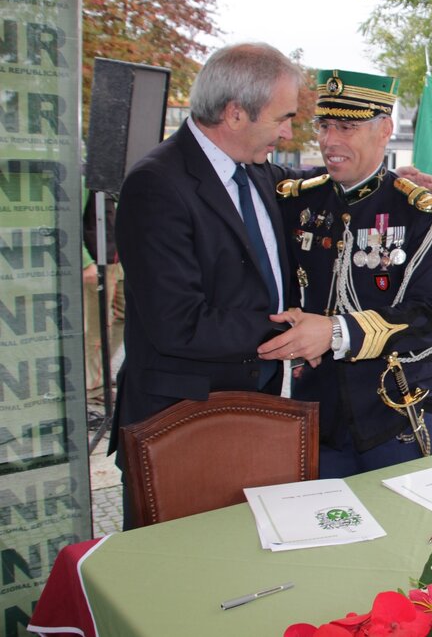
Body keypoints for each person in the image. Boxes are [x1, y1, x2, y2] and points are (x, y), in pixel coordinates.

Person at [112, 42, 304, 527]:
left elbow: (308, 180)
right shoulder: (156, 184)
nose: (287, 133)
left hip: (251, 413)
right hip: (181, 427)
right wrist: (288, 331)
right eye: (282, 118)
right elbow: (178, 324)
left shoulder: (255, 169)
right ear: (235, 113)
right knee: (175, 578)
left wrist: (383, 179)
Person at [257, 69, 432, 479]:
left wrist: (335, 331)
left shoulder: (417, 210)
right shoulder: (297, 200)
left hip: (396, 412)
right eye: (325, 126)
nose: (330, 141)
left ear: (384, 129)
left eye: (347, 127)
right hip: (318, 412)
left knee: (407, 534)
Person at [83, 188, 125, 405]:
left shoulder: (116, 182)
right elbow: (70, 219)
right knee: (97, 328)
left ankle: (100, 372)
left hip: (118, 262)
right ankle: (92, 385)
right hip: (99, 263)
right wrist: (85, 261)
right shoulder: (87, 180)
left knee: (125, 317)